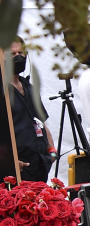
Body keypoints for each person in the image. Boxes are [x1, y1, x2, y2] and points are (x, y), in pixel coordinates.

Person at [5, 39, 55, 182]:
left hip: (39, 165)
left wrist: (52, 153)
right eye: (12, 53)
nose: (18, 56)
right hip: (16, 171)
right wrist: (10, 163)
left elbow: (41, 121)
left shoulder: (29, 87)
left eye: (21, 52)